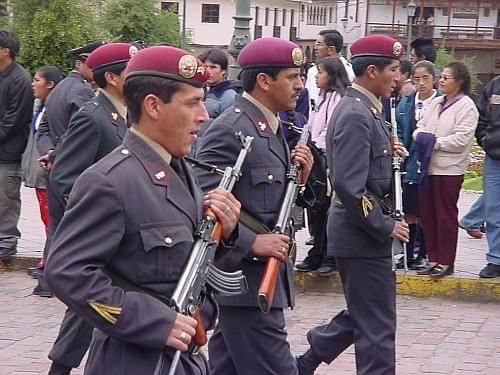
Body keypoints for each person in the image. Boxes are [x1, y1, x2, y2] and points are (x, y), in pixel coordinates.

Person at [45, 45, 241, 374]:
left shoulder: (179, 169)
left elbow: (188, 262)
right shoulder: (110, 181)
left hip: (184, 355)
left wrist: (227, 232)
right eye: (192, 102)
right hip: (133, 359)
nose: (204, 115)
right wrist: (151, 321)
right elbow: (66, 272)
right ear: (153, 105)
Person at [196, 37, 313, 375]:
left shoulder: (269, 125)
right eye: (291, 77)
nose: (300, 85)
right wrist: (253, 242)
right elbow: (202, 204)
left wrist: (301, 179)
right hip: (245, 281)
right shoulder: (232, 129)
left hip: (260, 281)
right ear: (264, 81)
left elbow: (269, 203)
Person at [296, 34, 409, 375]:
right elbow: (348, 185)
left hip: (362, 236)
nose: (398, 77)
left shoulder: (368, 110)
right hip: (361, 235)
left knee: (367, 311)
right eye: (393, 69)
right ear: (372, 71)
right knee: (376, 326)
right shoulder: (356, 114)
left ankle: (307, 360)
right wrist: (384, 224)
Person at [45, 42, 140, 375]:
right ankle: (61, 367)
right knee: (87, 303)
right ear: (112, 77)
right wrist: (95, 217)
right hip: (102, 227)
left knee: (95, 304)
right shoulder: (94, 115)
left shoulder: (126, 113)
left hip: (124, 227)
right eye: (132, 72)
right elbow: (65, 177)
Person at [34, 40, 105, 295]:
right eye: (92, 63)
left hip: (55, 169)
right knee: (73, 229)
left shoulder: (61, 87)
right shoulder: (82, 92)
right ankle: (61, 281)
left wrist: (49, 153)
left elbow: (42, 129)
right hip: (75, 168)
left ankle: (45, 281)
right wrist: (58, 153)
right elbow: (78, 133)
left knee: (56, 228)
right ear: (79, 63)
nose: (96, 68)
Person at [414, 61, 479, 278]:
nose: (441, 81)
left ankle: (446, 261)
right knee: (428, 214)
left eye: (446, 78)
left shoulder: (467, 106)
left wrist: (434, 142)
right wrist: (422, 137)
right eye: (441, 77)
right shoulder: (436, 103)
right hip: (428, 167)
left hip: (449, 169)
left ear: (459, 81)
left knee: (445, 215)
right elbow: (420, 127)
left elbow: (461, 139)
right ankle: (433, 258)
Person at [295, 57, 350, 276]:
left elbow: (332, 128)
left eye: (321, 72)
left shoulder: (338, 97)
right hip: (316, 154)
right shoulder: (321, 96)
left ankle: (329, 255)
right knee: (316, 209)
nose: (317, 77)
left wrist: (316, 144)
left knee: (327, 209)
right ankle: (315, 254)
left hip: (328, 157)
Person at [395, 60, 440, 270]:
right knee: (410, 209)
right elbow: (401, 132)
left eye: (425, 78)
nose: (421, 83)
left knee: (426, 210)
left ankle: (424, 252)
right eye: (416, 79)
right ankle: (409, 251)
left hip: (432, 162)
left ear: (434, 79)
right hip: (409, 163)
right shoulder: (406, 103)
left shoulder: (440, 102)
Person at [21, 66, 64, 275]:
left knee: (52, 218)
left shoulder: (55, 109)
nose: (33, 84)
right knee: (46, 217)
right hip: (40, 169)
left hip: (49, 171)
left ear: (50, 84)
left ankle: (50, 262)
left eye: (37, 80)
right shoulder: (40, 106)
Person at [0, 29, 33, 265]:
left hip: (8, 153)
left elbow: (13, 121)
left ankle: (5, 248)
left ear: (5, 51)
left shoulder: (20, 80)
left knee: (6, 202)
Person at [475, 74, 500, 278]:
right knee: (493, 209)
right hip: (494, 158)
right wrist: (486, 140)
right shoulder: (494, 86)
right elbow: (480, 117)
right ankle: (495, 259)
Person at [190, 48, 236, 157]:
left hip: (210, 152)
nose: (208, 71)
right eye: (205, 67)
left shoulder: (229, 97)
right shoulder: (198, 90)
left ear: (223, 70)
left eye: (213, 67)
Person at [306, 29, 355, 112]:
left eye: (319, 44)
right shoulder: (312, 71)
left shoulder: (349, 72)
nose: (315, 48)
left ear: (331, 49)